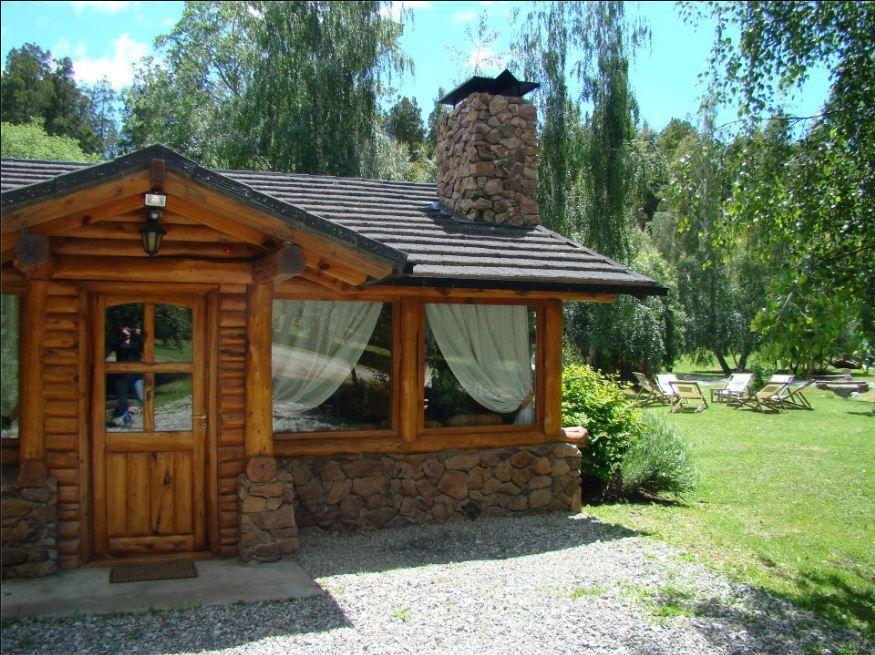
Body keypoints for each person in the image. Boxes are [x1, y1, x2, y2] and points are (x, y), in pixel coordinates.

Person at [112, 326, 144, 428]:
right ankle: (127, 420)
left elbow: (144, 345)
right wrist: (122, 335)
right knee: (122, 400)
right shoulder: (119, 343)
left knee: (141, 396)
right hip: (121, 376)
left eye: (128, 329)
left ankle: (149, 417)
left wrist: (139, 335)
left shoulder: (136, 343)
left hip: (136, 375)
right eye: (124, 329)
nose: (127, 331)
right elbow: (116, 345)